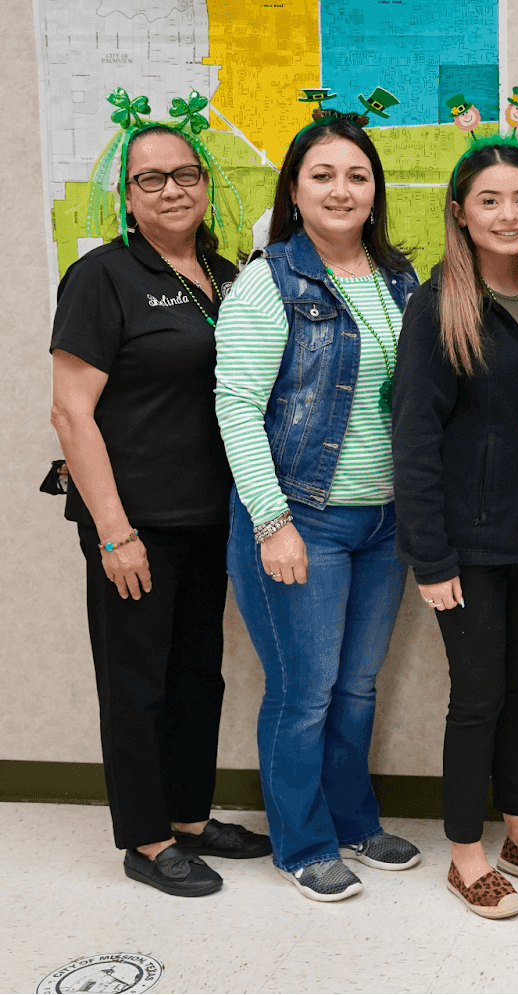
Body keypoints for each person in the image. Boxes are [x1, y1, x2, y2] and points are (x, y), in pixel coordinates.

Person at [49, 89, 270, 896]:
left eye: (185, 174)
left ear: (207, 184)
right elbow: (70, 411)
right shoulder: (103, 277)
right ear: (127, 195)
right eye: (152, 180)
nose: (172, 190)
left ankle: (188, 813)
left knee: (196, 675)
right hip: (133, 519)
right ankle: (146, 839)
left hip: (212, 518)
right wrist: (113, 530)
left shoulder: (227, 273)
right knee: (136, 681)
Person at [214, 108, 423, 903]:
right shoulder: (269, 281)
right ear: (295, 193)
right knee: (305, 689)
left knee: (357, 685)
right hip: (302, 518)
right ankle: (303, 842)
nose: (343, 189)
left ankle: (353, 821)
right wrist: (273, 522)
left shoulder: (401, 280)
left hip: (384, 519)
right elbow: (235, 406)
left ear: (375, 192)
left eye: (357, 175)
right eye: (323, 175)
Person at [392, 135, 518, 919]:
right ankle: (466, 853)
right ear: (462, 215)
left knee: (512, 684)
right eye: (491, 200)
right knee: (474, 696)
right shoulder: (439, 306)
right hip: (465, 546)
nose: (510, 214)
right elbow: (415, 438)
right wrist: (430, 557)